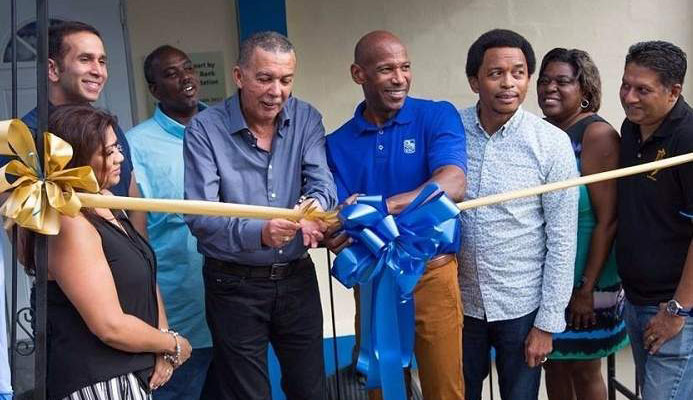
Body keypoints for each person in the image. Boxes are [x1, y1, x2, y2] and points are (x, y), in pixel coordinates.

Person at [184, 31, 337, 400]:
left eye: (286, 80)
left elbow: (323, 184)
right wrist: (260, 233)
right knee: (247, 394)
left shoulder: (306, 118)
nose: (277, 91)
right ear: (239, 76)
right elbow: (200, 217)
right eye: (265, 78)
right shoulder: (205, 129)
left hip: (297, 279)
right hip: (232, 285)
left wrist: (314, 210)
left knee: (310, 390)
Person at [326, 30, 467, 400]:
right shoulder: (336, 143)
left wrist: (381, 206)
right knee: (383, 388)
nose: (399, 78)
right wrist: (334, 226)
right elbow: (341, 218)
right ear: (359, 74)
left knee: (445, 389)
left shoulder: (436, 115)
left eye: (405, 67)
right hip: (373, 278)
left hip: (433, 273)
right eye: (386, 69)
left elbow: (452, 182)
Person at [23, 105, 192, 400]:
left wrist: (164, 341)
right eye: (109, 152)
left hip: (132, 375)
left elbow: (146, 272)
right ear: (77, 158)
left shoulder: (107, 200)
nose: (120, 158)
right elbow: (109, 325)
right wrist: (172, 344)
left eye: (117, 148)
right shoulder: (68, 220)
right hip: (97, 384)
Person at [458, 29, 579, 400]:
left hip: (522, 307)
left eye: (519, 72)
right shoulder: (450, 131)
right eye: (496, 74)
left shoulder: (551, 143)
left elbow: (562, 239)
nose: (508, 83)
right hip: (460, 304)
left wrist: (546, 323)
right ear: (474, 80)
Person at [537, 48, 628, 400]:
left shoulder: (596, 135)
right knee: (553, 361)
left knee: (584, 365)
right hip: (551, 276)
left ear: (585, 89)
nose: (549, 89)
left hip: (589, 273)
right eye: (544, 81)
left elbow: (608, 220)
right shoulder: (543, 133)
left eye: (562, 81)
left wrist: (586, 290)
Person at [126, 45, 212, 400]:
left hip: (238, 306)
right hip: (180, 313)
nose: (186, 78)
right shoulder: (134, 145)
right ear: (154, 90)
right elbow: (134, 234)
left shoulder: (222, 128)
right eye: (172, 74)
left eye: (188, 68)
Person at [617, 40, 693, 400]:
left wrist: (678, 310)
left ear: (674, 91)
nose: (629, 97)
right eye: (626, 84)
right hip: (636, 300)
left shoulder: (688, 139)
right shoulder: (631, 128)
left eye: (642, 90)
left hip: (674, 309)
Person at [17, 21, 145, 230]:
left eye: (102, 61)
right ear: (52, 69)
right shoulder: (24, 138)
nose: (98, 71)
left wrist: (143, 257)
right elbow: (23, 230)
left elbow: (134, 201)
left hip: (127, 257)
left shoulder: (107, 129)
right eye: (85, 59)